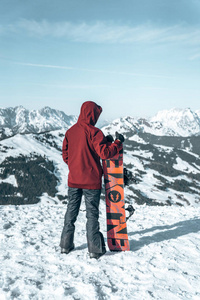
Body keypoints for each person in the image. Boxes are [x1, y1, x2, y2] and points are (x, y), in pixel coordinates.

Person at [60, 101, 124, 259]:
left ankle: (65, 246)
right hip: (91, 182)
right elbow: (104, 153)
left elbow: (65, 156)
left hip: (74, 180)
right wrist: (117, 143)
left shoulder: (70, 132)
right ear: (92, 114)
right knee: (92, 215)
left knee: (71, 212)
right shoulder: (95, 132)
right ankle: (94, 250)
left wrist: (76, 165)